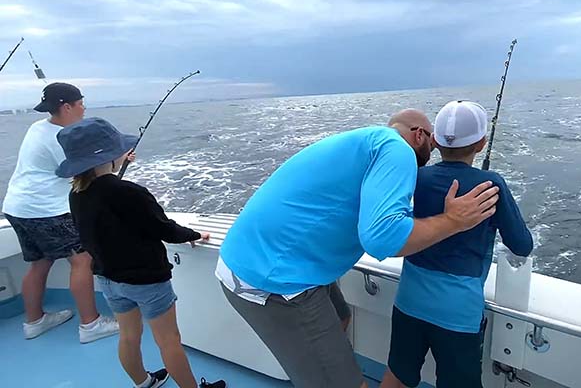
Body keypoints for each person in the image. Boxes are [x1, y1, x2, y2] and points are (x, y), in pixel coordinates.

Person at [216, 108, 501, 388]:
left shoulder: (368, 142)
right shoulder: (398, 149)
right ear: (418, 136)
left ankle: (325, 372)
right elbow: (382, 238)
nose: (436, 146)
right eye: (432, 138)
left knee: (341, 317)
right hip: (274, 279)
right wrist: (453, 220)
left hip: (272, 258)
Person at [56, 117, 226, 388]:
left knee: (128, 336)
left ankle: (143, 382)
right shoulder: (129, 192)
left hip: (110, 280)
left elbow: (105, 205)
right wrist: (194, 235)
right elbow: (164, 229)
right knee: (168, 340)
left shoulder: (77, 193)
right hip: (147, 282)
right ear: (111, 155)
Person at [380, 101, 534, 388]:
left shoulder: (416, 176)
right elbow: (522, 245)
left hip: (408, 301)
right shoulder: (491, 185)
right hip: (458, 313)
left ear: (435, 141)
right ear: (481, 144)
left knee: (397, 376)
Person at [2, 82, 120, 343]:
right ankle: (91, 325)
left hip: (17, 207)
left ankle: (34, 322)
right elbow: (87, 175)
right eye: (80, 103)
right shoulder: (61, 139)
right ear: (67, 107)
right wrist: (119, 160)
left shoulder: (38, 127)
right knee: (82, 260)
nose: (84, 107)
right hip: (45, 210)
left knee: (40, 262)